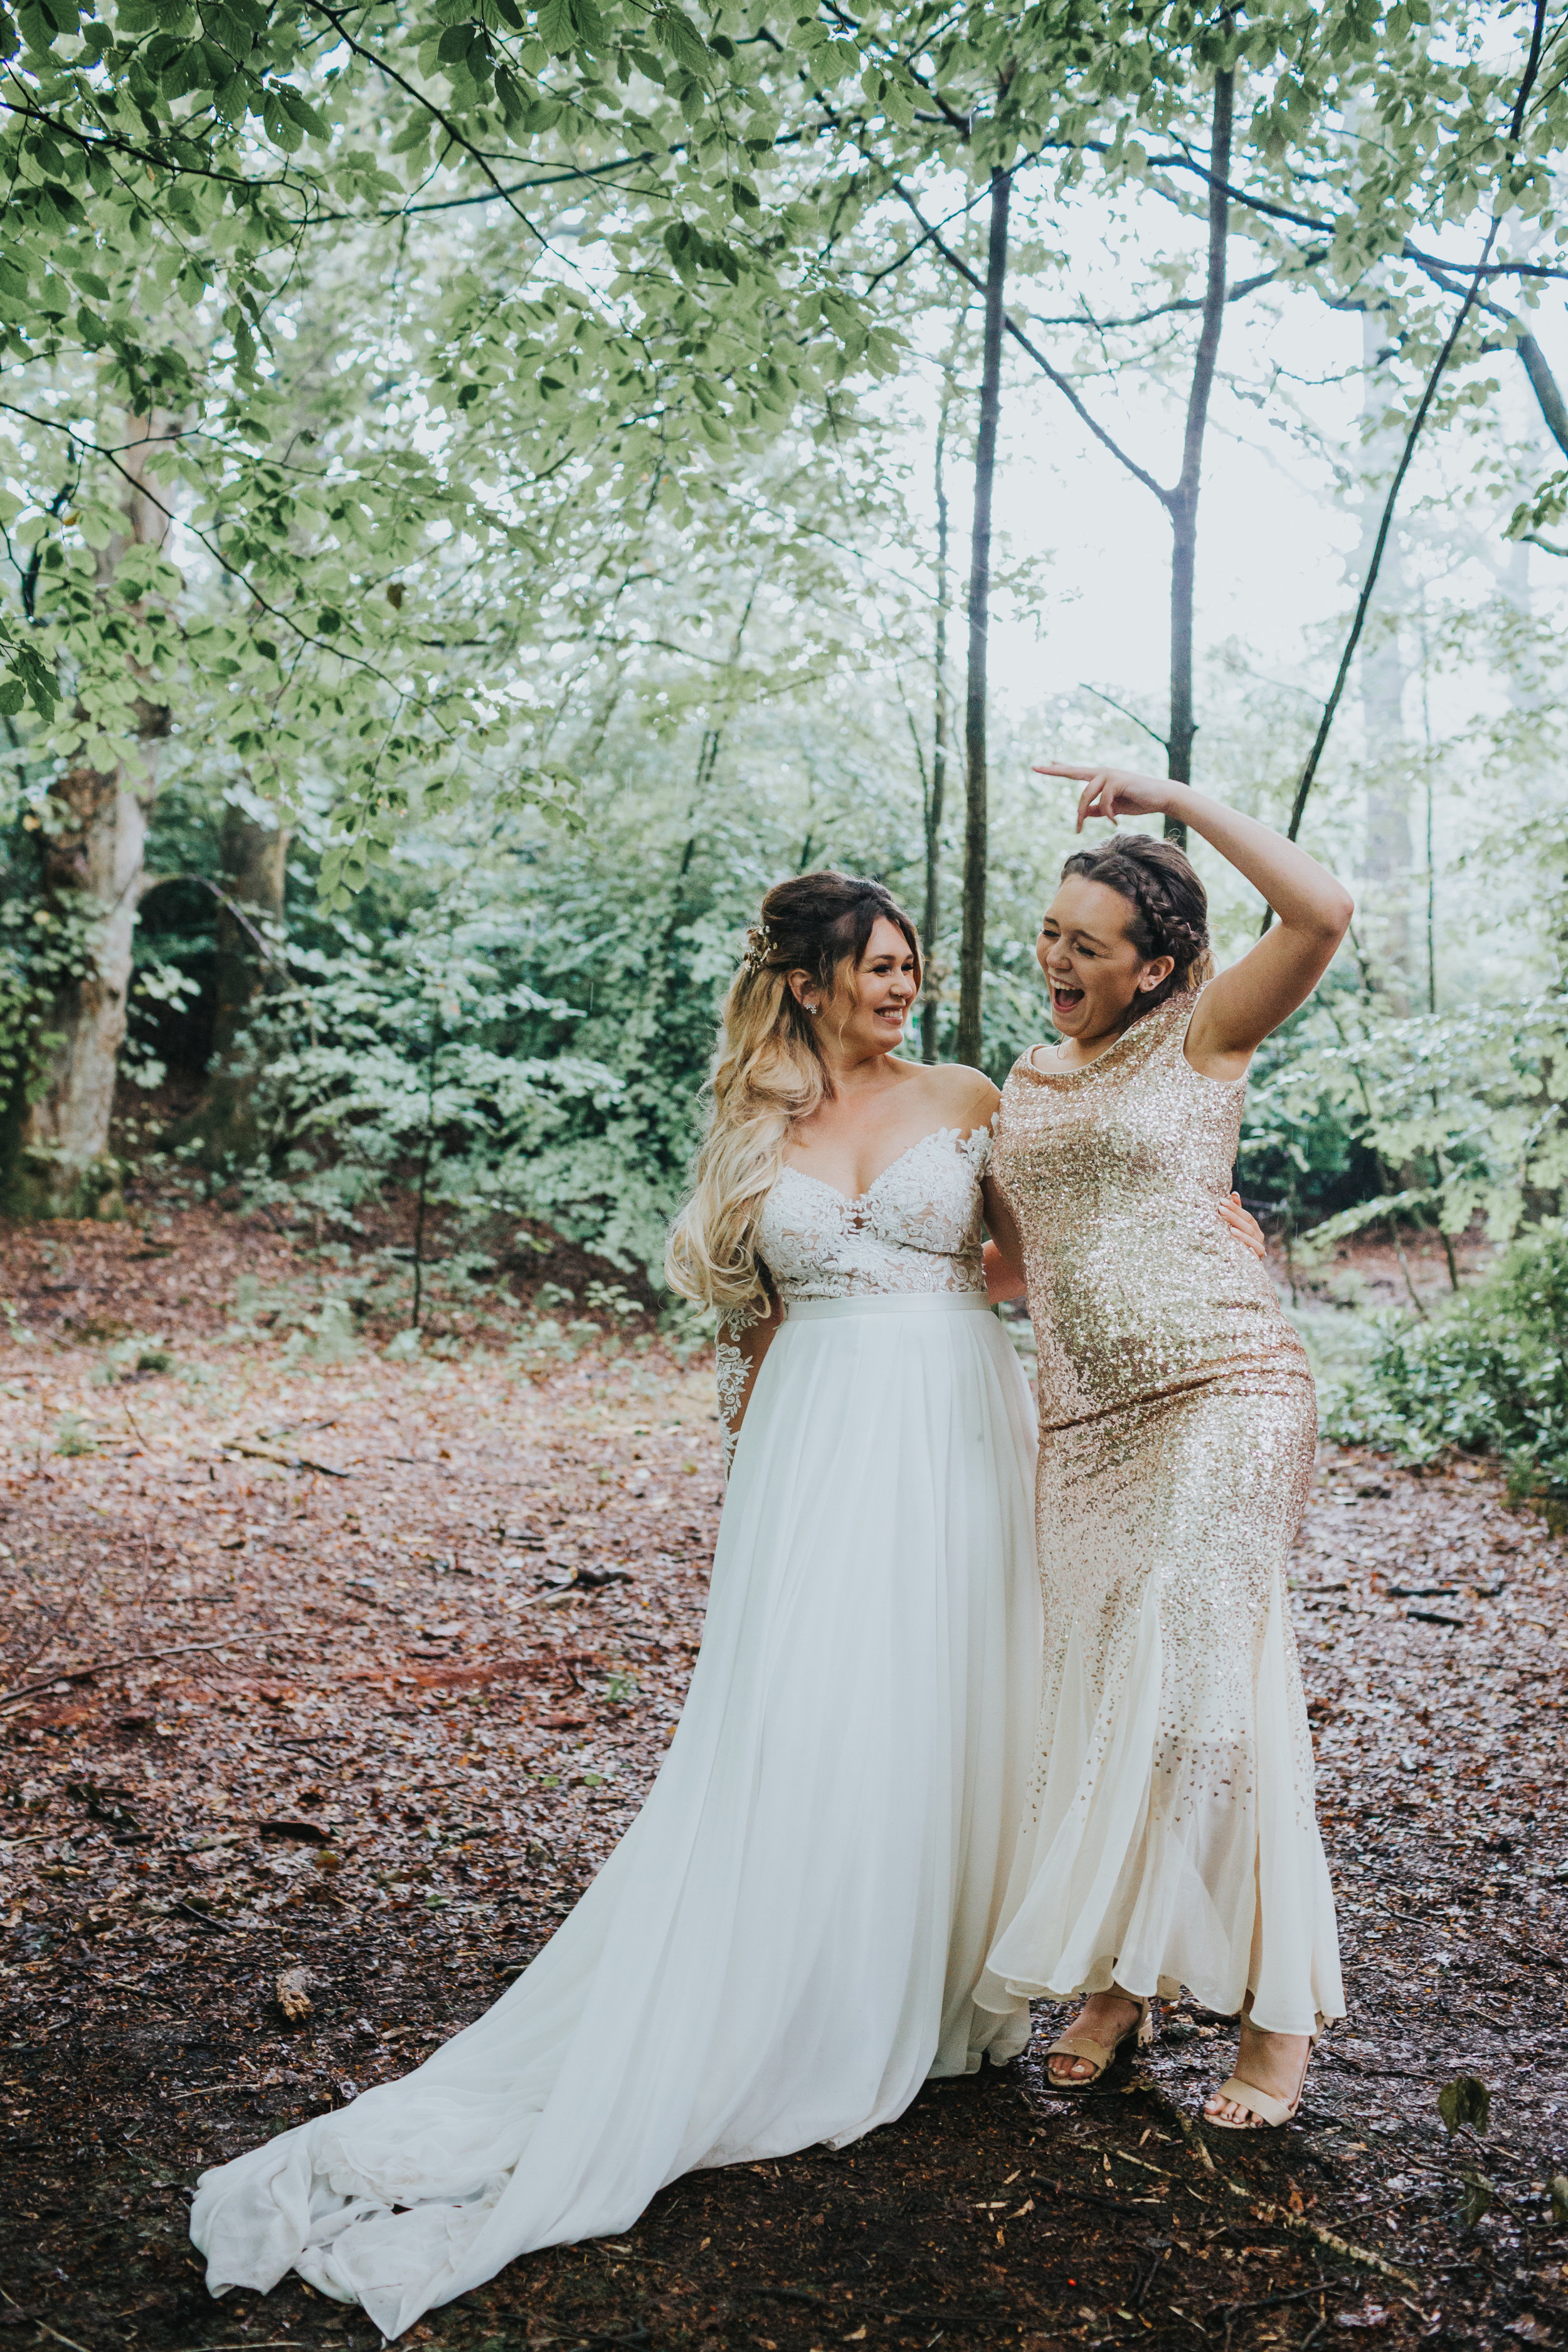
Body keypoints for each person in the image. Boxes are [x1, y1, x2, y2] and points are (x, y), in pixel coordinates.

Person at [189, 869, 1269, 2340]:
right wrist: (751, 1478)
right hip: (817, 1435)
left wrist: (1202, 1240)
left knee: (957, 1694)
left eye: (908, 966)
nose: (903, 986)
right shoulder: (755, 1131)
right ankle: (806, 1981)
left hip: (954, 1412)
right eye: (878, 968)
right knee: (807, 1713)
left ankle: (953, 1982)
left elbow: (1044, 1248)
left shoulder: (968, 1093)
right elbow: (750, 1318)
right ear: (811, 982)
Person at [977, 765, 1352, 2131]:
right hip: (1081, 1428)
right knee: (1103, 1708)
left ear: (1157, 968)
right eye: (1047, 934)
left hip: (1222, 1393)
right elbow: (1017, 1267)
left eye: (1084, 945)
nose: (1053, 961)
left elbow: (1317, 911)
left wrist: (1172, 799)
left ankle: (1274, 2023)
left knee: (1203, 1699)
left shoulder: (1203, 1036)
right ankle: (1120, 1989)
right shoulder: (1024, 1075)